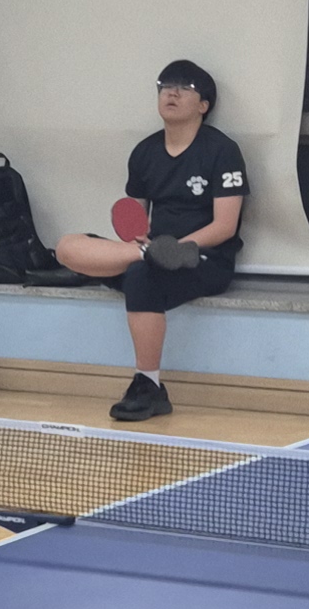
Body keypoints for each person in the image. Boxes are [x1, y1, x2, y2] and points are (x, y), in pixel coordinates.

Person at [50, 59, 245, 422]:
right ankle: (146, 256)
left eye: (185, 88)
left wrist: (179, 249)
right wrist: (147, 248)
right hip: (150, 252)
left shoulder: (221, 150)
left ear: (203, 105)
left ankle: (149, 386)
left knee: (140, 276)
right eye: (165, 86)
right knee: (68, 246)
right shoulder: (144, 152)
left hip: (204, 258)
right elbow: (135, 221)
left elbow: (225, 226)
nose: (172, 93)